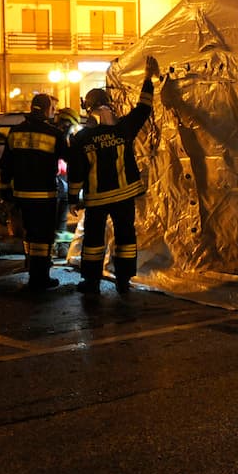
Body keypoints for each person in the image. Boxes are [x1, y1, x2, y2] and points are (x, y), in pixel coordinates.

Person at [67, 56, 161, 296]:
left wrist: (72, 198)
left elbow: (76, 172)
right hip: (124, 196)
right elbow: (143, 108)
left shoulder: (81, 138)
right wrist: (148, 79)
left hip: (97, 199)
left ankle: (91, 282)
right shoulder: (123, 129)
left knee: (93, 242)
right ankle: (123, 279)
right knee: (126, 237)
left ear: (88, 109)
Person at [0, 93, 70, 292]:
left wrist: (5, 190)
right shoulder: (54, 133)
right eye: (52, 109)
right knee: (43, 238)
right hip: (44, 194)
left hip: (22, 194)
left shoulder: (15, 132)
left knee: (30, 234)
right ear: (47, 110)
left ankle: (31, 266)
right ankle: (40, 278)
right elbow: (69, 157)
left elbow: (5, 164)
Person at [53, 106, 82, 243]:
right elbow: (67, 156)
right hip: (53, 181)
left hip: (55, 179)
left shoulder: (54, 132)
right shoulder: (60, 135)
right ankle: (58, 234)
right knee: (61, 200)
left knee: (63, 199)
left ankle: (59, 234)